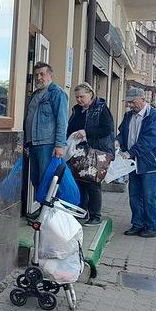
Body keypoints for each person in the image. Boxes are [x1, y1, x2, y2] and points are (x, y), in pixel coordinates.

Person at [117, 87, 156, 238]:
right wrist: (117, 142)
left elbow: (149, 140)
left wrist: (130, 152)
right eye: (129, 102)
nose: (131, 105)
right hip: (132, 163)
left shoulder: (154, 116)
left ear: (143, 99)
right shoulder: (128, 116)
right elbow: (123, 133)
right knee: (134, 195)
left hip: (150, 162)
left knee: (150, 196)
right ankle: (137, 223)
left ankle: (153, 226)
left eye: (133, 102)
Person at [66, 82, 114, 226]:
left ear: (90, 94)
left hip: (97, 151)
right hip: (80, 151)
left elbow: (107, 129)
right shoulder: (77, 110)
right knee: (80, 181)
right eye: (77, 97)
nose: (79, 100)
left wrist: (87, 132)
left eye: (82, 96)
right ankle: (82, 210)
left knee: (93, 182)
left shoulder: (101, 108)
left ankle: (95, 216)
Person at [23, 62, 69, 193]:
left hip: (47, 144)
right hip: (33, 144)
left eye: (42, 74)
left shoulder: (57, 93)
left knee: (48, 181)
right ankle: (43, 210)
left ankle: (51, 212)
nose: (38, 77)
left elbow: (62, 120)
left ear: (50, 75)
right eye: (36, 75)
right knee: (36, 180)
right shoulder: (34, 95)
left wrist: (60, 145)